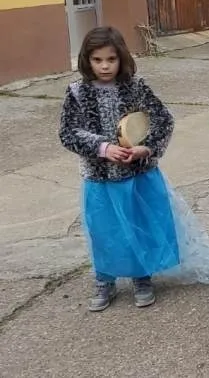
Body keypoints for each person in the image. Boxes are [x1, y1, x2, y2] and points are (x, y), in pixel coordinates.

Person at [59, 26, 177, 311]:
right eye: (97, 60)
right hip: (99, 178)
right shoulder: (77, 93)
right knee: (104, 230)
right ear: (86, 60)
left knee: (137, 224)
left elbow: (163, 120)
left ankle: (141, 276)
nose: (104, 66)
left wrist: (144, 148)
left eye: (111, 59)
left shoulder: (136, 87)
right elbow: (68, 132)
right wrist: (103, 148)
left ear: (121, 58)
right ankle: (105, 279)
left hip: (136, 175)